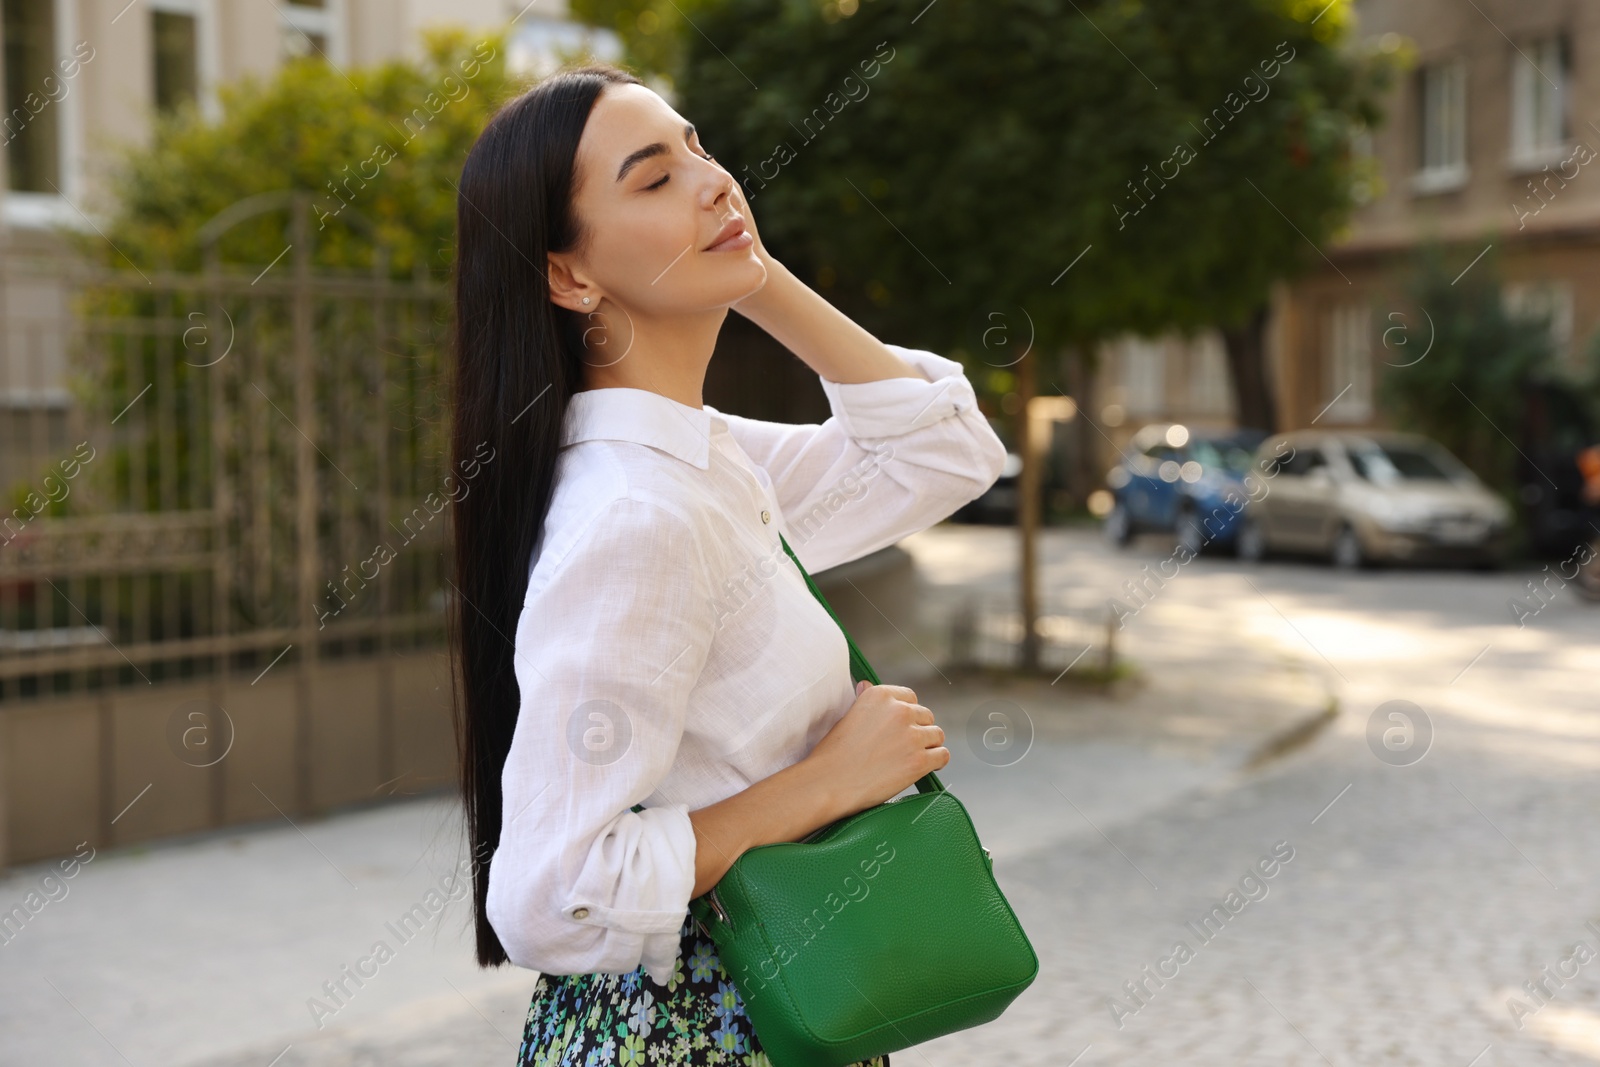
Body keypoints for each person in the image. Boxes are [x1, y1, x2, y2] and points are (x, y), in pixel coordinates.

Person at [447, 60, 1009, 1067]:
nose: (711, 179)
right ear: (570, 275)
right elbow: (547, 892)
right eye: (653, 178)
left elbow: (943, 451)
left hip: (791, 995)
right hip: (698, 1023)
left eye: (699, 148)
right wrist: (826, 781)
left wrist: (751, 268)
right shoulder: (635, 513)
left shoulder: (705, 458)